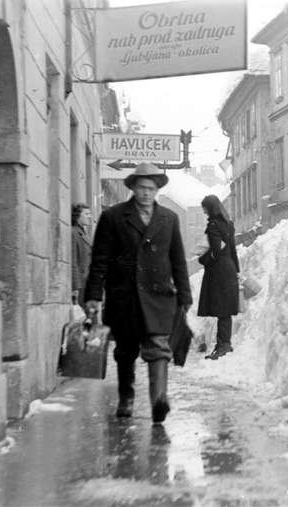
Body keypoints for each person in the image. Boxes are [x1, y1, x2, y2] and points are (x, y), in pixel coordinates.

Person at [84, 162, 192, 423]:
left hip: (158, 296)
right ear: (133, 188)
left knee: (159, 348)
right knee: (126, 350)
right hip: (125, 297)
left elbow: (178, 259)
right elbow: (100, 258)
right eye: (142, 188)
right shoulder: (113, 217)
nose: (146, 193)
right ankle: (126, 397)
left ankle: (159, 400)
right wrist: (94, 295)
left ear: (157, 190)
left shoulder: (169, 218)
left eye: (151, 188)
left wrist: (185, 295)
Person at [197, 194, 240, 360]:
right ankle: (223, 344)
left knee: (222, 309)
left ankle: (223, 346)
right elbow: (232, 250)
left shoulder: (214, 225)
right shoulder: (229, 224)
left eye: (205, 209)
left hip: (219, 271)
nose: (204, 212)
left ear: (210, 208)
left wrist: (202, 259)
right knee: (225, 310)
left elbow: (216, 250)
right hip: (228, 268)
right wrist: (236, 270)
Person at [71, 203, 92, 306]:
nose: (90, 216)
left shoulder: (83, 233)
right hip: (81, 285)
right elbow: (73, 261)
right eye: (87, 214)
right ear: (78, 216)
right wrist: (75, 286)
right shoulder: (74, 233)